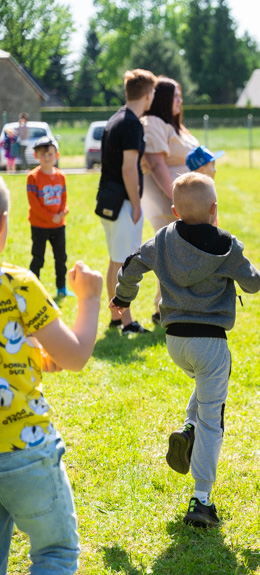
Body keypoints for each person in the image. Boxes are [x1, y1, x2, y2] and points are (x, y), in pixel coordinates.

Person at [110, 172, 260, 526]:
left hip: (175, 340)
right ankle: (201, 500)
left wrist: (122, 298)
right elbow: (253, 284)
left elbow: (132, 265)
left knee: (207, 388)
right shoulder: (227, 245)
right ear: (214, 209)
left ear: (175, 211)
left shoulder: (163, 238)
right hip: (210, 340)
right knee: (214, 417)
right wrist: (238, 264)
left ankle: (188, 429)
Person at [0, 176, 103, 575]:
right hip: (25, 451)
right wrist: (90, 298)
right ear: (5, 223)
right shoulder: (17, 286)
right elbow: (75, 356)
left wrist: (33, 356)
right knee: (55, 553)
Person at [98, 68, 156, 335]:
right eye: (153, 92)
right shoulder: (131, 123)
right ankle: (126, 322)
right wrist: (135, 203)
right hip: (122, 202)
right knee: (124, 264)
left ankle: (115, 317)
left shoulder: (116, 119)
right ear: (146, 94)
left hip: (108, 200)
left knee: (115, 260)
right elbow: (128, 168)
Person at [141, 77, 200, 324]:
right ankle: (164, 309)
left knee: (184, 253)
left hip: (189, 199)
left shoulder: (177, 127)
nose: (180, 100)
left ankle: (172, 306)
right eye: (175, 96)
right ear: (162, 99)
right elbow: (156, 163)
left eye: (180, 96)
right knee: (172, 253)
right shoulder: (153, 123)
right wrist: (178, 196)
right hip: (167, 199)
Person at [26, 136, 70, 299]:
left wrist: (63, 211)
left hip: (58, 226)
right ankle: (32, 286)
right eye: (42, 154)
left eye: (50, 154)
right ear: (36, 155)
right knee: (38, 257)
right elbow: (34, 204)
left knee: (61, 258)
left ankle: (61, 288)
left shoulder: (61, 176)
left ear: (56, 155)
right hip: (40, 226)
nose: (47, 158)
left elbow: (64, 198)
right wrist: (51, 217)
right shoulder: (33, 177)